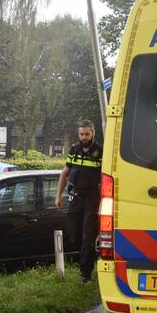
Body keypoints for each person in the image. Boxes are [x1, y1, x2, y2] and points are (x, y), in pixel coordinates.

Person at [54, 120, 102, 282]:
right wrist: (58, 195)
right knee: (74, 235)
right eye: (81, 134)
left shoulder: (101, 151)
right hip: (76, 197)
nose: (84, 137)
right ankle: (89, 256)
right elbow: (65, 172)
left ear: (93, 133)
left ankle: (85, 274)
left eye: (87, 134)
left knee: (88, 236)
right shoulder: (74, 150)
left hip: (92, 199)